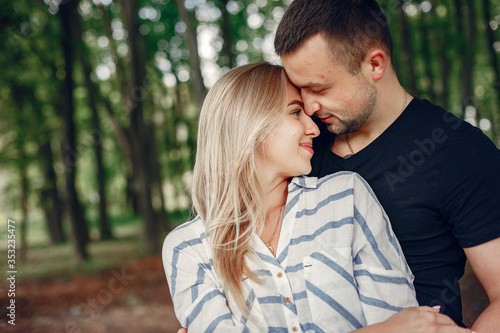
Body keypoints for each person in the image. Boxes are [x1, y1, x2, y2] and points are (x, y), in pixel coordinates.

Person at [274, 0, 500, 331]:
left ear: (375, 64)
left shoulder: (460, 151)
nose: (308, 105)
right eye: (299, 89)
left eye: (318, 88)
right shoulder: (301, 145)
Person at [163, 62, 425, 332]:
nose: (313, 128)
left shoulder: (346, 197)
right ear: (250, 123)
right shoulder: (189, 249)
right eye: (296, 112)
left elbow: (407, 324)